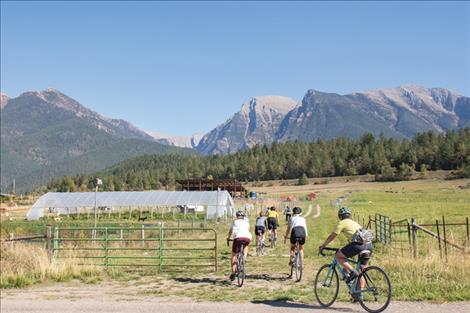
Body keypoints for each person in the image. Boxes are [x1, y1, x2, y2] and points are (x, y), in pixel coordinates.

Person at [318, 207, 373, 300]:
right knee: (361, 271)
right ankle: (359, 295)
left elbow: (333, 235)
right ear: (350, 215)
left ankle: (352, 272)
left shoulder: (342, 223)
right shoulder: (355, 223)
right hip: (369, 246)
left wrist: (323, 245)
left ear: (340, 216)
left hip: (358, 246)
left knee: (338, 256)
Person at [227, 210, 252, 281]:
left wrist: (228, 238)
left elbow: (230, 231)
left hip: (237, 238)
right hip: (247, 237)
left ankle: (233, 272)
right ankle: (244, 258)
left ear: (237, 216)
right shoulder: (246, 222)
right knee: (246, 246)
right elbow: (247, 230)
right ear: (243, 217)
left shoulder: (235, 222)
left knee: (234, 255)